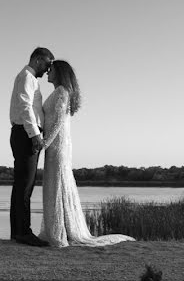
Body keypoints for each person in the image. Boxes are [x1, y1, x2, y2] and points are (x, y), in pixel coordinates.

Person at [38, 60, 135, 247]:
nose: (48, 73)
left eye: (51, 70)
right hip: (55, 145)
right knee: (56, 184)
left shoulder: (61, 92)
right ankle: (59, 228)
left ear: (59, 73)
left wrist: (44, 143)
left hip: (57, 145)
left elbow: (57, 122)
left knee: (57, 184)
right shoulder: (61, 91)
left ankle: (60, 233)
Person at [9, 47, 54, 247]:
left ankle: (18, 232)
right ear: (37, 60)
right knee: (25, 186)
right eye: (46, 64)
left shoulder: (29, 78)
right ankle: (24, 233)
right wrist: (35, 135)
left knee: (22, 185)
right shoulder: (26, 77)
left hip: (24, 134)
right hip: (25, 135)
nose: (47, 70)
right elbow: (25, 106)